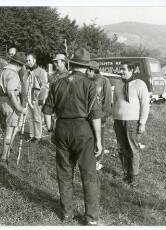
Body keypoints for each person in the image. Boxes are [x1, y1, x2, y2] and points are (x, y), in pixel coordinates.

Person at [42, 48, 104, 226]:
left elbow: (46, 111)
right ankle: (91, 218)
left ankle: (66, 214)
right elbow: (96, 116)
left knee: (64, 172)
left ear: (72, 64)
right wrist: (99, 141)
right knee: (89, 174)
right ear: (87, 66)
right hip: (83, 129)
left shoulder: (58, 83)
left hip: (62, 128)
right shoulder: (90, 85)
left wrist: (51, 130)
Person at [113, 60, 150, 187]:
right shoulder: (118, 84)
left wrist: (142, 123)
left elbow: (145, 104)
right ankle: (126, 173)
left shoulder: (139, 84)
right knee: (122, 148)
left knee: (133, 148)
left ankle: (134, 177)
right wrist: (114, 117)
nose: (121, 71)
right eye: (120, 69)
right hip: (118, 120)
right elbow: (115, 102)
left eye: (123, 69)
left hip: (132, 121)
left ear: (131, 70)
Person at [0, 52, 28, 162]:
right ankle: (4, 156)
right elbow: (11, 92)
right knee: (10, 131)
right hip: (10, 103)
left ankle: (7, 150)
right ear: (20, 65)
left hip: (2, 100)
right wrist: (19, 108)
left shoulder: (3, 70)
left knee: (8, 128)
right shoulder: (14, 74)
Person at [87, 61, 112, 171]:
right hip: (88, 115)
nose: (85, 72)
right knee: (90, 136)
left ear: (92, 70)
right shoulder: (87, 80)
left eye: (87, 70)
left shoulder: (104, 81)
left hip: (100, 115)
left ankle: (98, 161)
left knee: (99, 137)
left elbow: (107, 99)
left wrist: (104, 115)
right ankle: (91, 158)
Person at [24, 53, 48, 143]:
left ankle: (38, 136)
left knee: (37, 117)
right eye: (27, 60)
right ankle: (31, 135)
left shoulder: (41, 71)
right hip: (28, 97)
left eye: (30, 60)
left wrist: (41, 99)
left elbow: (44, 86)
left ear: (34, 60)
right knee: (30, 117)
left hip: (37, 97)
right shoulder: (26, 71)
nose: (28, 62)